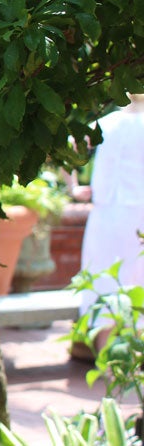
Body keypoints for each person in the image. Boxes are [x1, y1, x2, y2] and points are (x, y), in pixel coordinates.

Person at [72, 93, 144, 356]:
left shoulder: (108, 122)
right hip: (134, 214)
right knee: (136, 283)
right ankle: (129, 364)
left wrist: (75, 188)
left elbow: (70, 146)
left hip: (107, 215)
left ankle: (108, 363)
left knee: (106, 281)